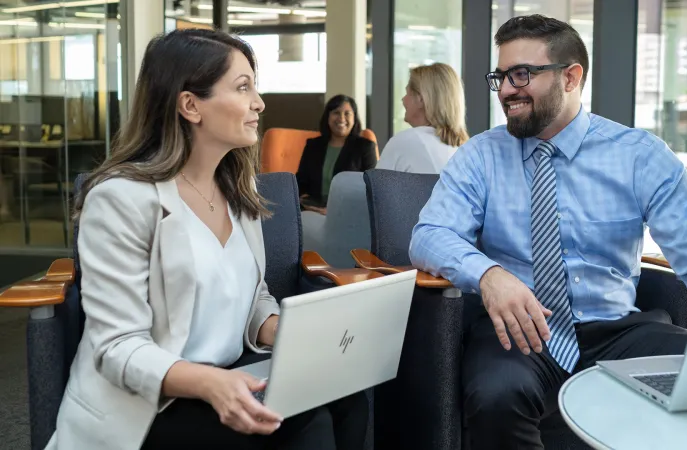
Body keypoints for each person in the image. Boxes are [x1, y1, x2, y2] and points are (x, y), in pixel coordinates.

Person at [408, 14, 687, 450]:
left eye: (522, 74)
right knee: (496, 392)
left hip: (620, 329)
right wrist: (489, 275)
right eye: (502, 77)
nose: (508, 90)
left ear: (571, 77)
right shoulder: (481, 156)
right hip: (523, 331)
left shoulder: (639, 156)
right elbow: (429, 234)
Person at [47, 29, 367, 450]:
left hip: (230, 373)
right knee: (305, 426)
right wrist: (211, 383)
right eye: (243, 87)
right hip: (152, 402)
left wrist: (283, 331)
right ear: (190, 105)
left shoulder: (239, 191)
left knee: (347, 395)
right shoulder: (119, 199)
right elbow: (117, 347)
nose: (260, 103)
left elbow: (253, 298)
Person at [376, 63, 468, 174]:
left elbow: (375, 190)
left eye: (407, 93)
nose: (403, 100)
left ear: (420, 99)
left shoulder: (404, 142)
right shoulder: (467, 152)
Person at [296, 95, 377, 214]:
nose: (341, 118)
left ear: (354, 118)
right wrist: (305, 200)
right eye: (336, 113)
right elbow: (300, 181)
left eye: (347, 113)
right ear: (328, 117)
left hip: (349, 212)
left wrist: (334, 211)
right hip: (313, 210)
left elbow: (371, 188)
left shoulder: (365, 147)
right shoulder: (313, 145)